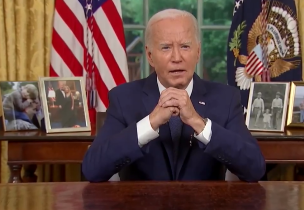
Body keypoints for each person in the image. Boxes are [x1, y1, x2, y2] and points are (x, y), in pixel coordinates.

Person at [82, 9, 265, 182]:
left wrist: (198, 123)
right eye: (166, 48)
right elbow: (93, 169)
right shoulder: (123, 99)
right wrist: (150, 123)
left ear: (198, 52)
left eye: (185, 46)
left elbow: (254, 169)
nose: (177, 57)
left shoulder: (226, 99)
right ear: (150, 56)